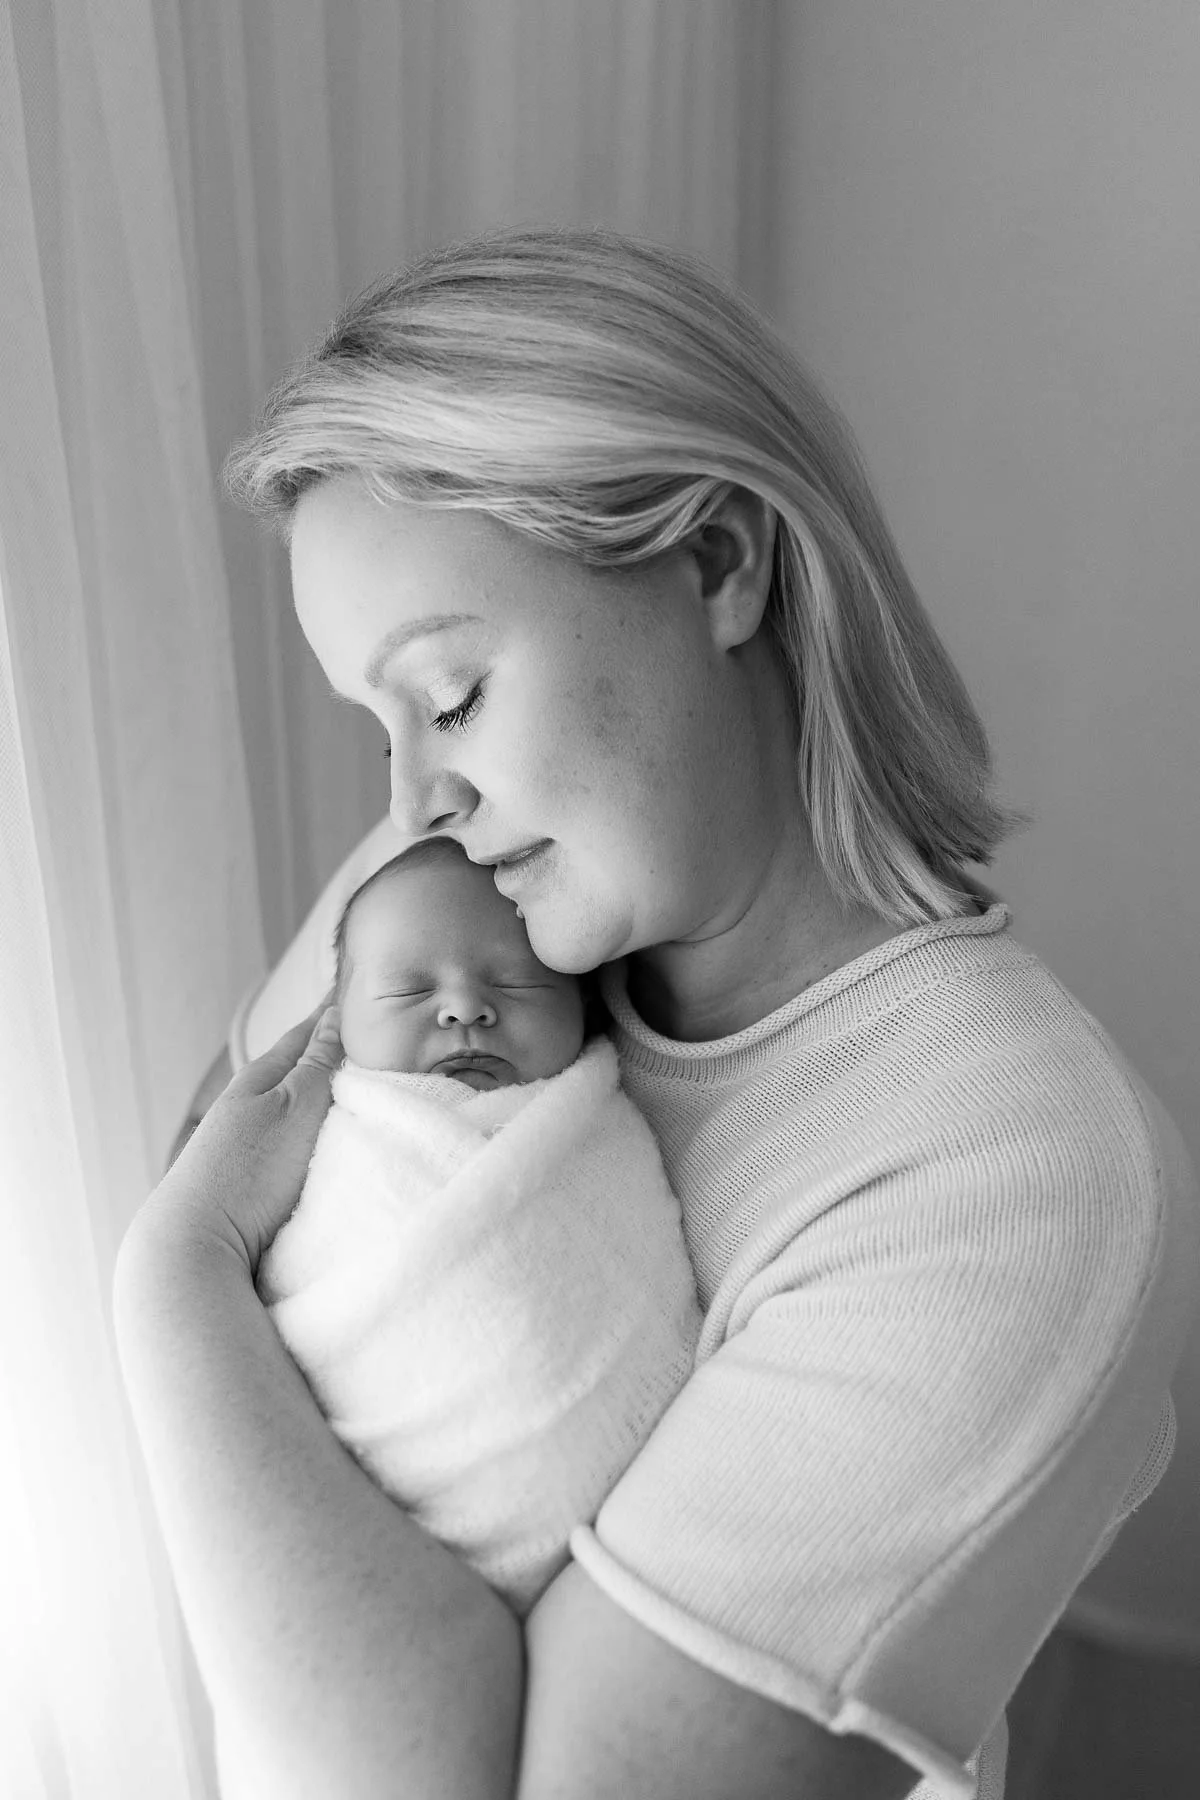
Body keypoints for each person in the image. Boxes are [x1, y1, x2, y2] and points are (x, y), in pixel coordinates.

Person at [113, 224, 1200, 1800]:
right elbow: (207, 1159)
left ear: (719, 562)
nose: (420, 794)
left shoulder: (1010, 1175)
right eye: (382, 730)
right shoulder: (470, 879)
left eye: (455, 693)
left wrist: (167, 1288)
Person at [254, 836, 701, 1624]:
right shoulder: (339, 1138)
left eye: (517, 981)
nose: (464, 1008)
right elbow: (289, 1293)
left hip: (618, 1578)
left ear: (587, 1004)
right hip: (391, 1553)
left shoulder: (598, 1128)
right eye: (406, 991)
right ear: (335, 1026)